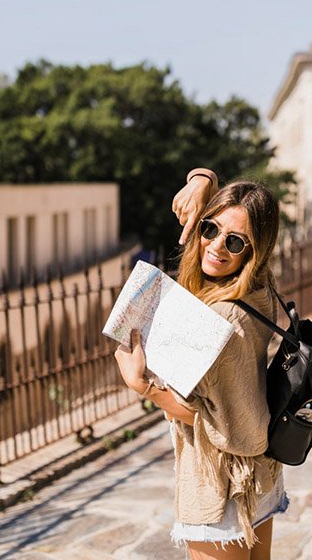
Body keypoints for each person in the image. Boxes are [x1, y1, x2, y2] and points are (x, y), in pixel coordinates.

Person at [114, 168, 288, 559]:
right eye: (210, 229)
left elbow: (220, 424)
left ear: (254, 250)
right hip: (258, 480)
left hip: (224, 486)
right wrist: (202, 180)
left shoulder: (227, 319)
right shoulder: (257, 287)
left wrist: (143, 386)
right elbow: (235, 212)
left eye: (236, 241)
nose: (216, 246)